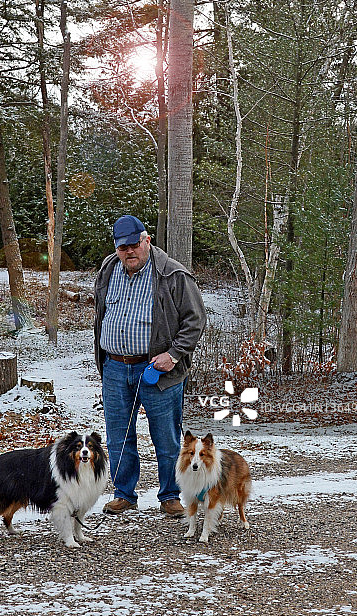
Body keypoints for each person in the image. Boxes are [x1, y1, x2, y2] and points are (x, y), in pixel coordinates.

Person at [94, 214, 207, 516]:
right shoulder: (108, 269)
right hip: (115, 368)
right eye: (122, 247)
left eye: (133, 245)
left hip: (159, 371)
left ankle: (170, 495)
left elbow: (195, 321)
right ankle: (124, 494)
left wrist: (173, 355)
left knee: (167, 437)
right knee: (118, 435)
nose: (128, 252)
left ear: (146, 240)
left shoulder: (173, 274)